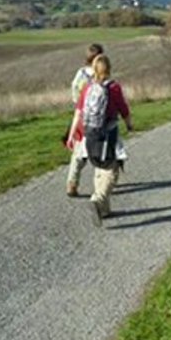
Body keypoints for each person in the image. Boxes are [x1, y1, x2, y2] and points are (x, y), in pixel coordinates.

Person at [66, 54, 133, 226]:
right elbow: (123, 109)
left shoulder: (87, 88)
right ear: (109, 69)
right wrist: (129, 124)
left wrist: (72, 134)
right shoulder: (114, 88)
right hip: (107, 137)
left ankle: (105, 210)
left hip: (89, 136)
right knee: (112, 170)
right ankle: (98, 200)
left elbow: (78, 113)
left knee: (98, 168)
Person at [65, 43, 103, 197]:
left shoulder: (80, 73)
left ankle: (72, 183)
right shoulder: (100, 75)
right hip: (97, 120)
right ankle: (100, 185)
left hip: (81, 118)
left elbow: (74, 89)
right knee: (100, 154)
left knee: (78, 155)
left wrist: (77, 104)